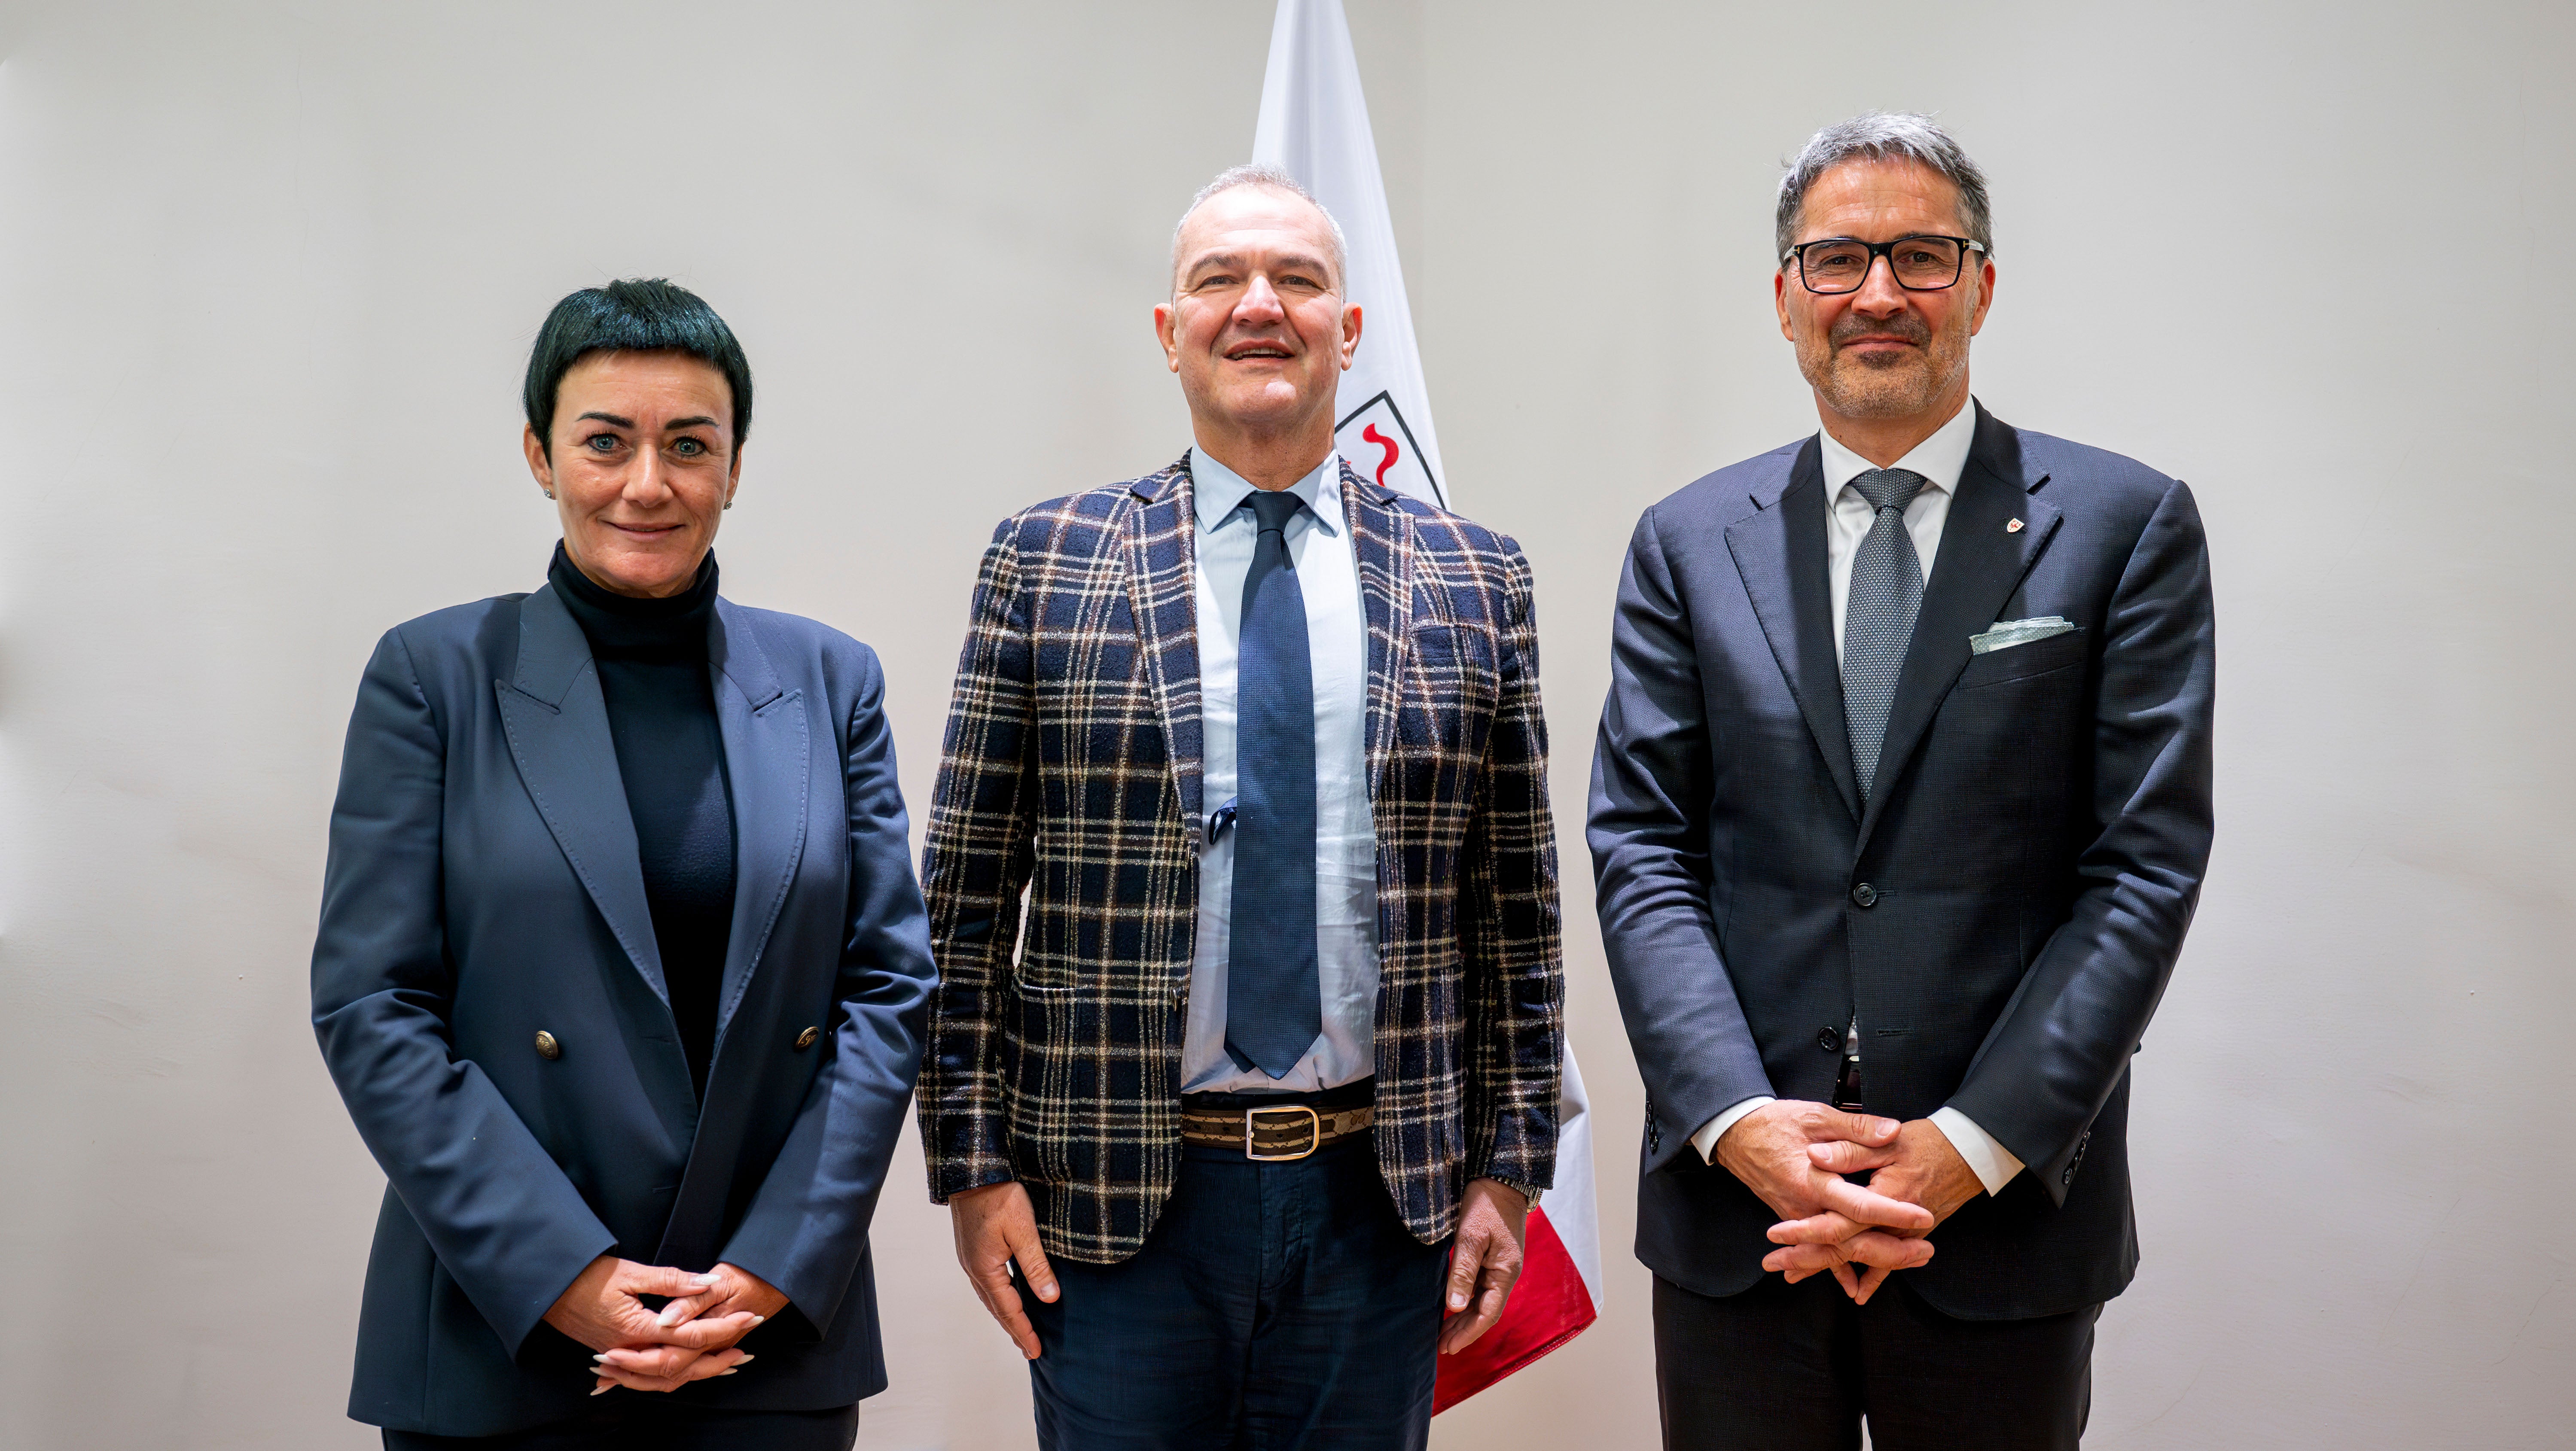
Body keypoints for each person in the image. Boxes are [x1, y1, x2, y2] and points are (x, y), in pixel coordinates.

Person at [1589, 113, 2215, 1450]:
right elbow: (1643, 848)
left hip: (1997, 1222)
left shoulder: (2122, 527)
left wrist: (1969, 1143)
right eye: (1838, 260)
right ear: (1785, 301)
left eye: (1922, 256)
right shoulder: (1689, 542)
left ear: (1982, 284)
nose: (1879, 293)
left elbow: (2143, 866)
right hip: (1742, 1214)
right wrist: (1744, 1124)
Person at [916, 165, 1563, 1450]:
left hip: (1381, 1202)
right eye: (1220, 280)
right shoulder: (1046, 563)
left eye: (1298, 280)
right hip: (1113, 1207)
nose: (1258, 306)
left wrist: (1510, 1162)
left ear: (1350, 328)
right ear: (1170, 333)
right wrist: (972, 1163)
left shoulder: (1475, 576)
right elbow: (960, 904)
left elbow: (1519, 918)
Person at [310, 279, 936, 1448]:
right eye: (607, 441)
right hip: (505, 1330)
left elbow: (888, 991)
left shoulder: (830, 681)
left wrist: (770, 1264)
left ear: (735, 467)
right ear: (542, 455)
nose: (649, 483)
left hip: (758, 1333)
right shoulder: (433, 677)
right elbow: (372, 1002)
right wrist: (566, 1274)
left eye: (689, 445)